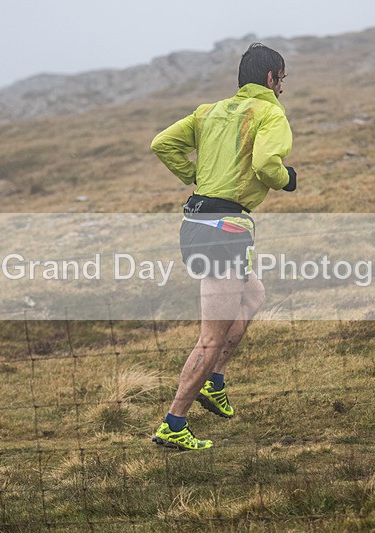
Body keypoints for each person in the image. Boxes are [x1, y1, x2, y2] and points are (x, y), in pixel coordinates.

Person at [150, 43, 297, 450]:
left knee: (253, 296)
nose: (282, 88)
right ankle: (173, 423)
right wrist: (287, 178)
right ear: (271, 79)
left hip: (200, 221)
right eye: (282, 80)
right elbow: (268, 164)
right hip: (224, 230)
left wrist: (198, 174)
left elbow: (162, 143)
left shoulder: (207, 111)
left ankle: (214, 382)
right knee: (210, 338)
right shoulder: (270, 112)